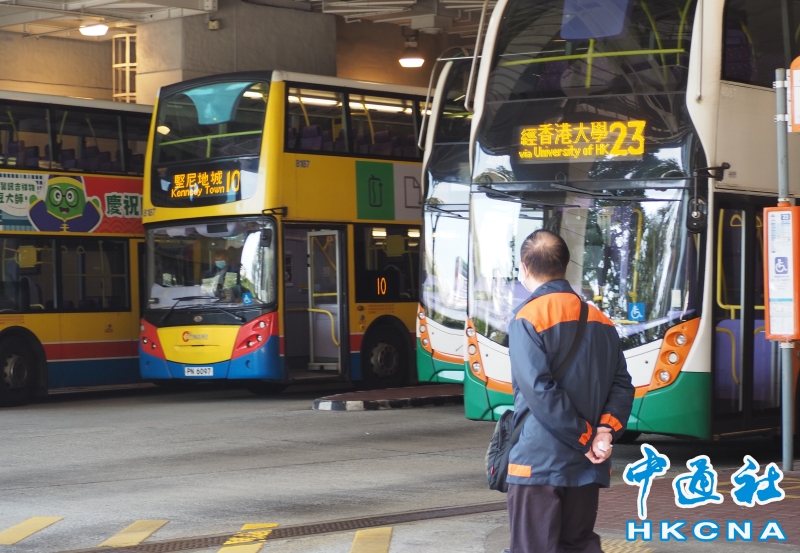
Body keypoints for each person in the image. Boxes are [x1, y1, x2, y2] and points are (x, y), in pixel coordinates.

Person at [505, 229, 634, 553]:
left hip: (539, 463)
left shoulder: (527, 318)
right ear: (565, 265)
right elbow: (622, 384)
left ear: (524, 267)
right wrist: (603, 432)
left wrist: (583, 437)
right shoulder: (601, 320)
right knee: (578, 545)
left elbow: (539, 390)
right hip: (587, 467)